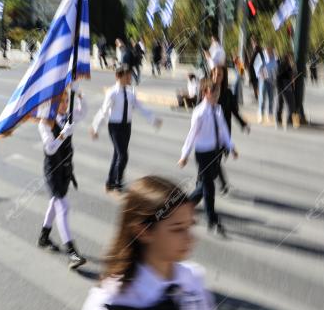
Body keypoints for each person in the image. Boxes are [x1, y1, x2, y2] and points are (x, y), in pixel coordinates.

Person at [60, 176, 235, 310]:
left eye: (190, 226)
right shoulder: (113, 300)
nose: (190, 237)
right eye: (177, 229)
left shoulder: (192, 280)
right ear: (143, 232)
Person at [36, 85, 88, 270]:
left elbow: (83, 112)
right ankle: (72, 253)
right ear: (52, 104)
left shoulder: (68, 117)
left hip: (66, 168)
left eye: (67, 100)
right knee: (63, 207)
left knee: (54, 203)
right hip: (53, 170)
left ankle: (43, 237)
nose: (65, 104)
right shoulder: (45, 123)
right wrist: (64, 132)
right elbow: (50, 148)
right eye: (62, 101)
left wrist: (78, 93)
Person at [178, 80, 237, 238]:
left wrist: (231, 147)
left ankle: (185, 206)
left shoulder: (217, 109)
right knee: (209, 187)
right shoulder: (199, 112)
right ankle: (212, 221)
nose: (216, 96)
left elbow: (223, 130)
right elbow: (191, 135)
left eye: (217, 93)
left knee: (206, 183)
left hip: (214, 152)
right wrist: (184, 155)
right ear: (205, 93)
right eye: (213, 93)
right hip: (202, 153)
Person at [91, 65, 162, 194]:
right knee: (123, 155)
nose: (130, 78)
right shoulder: (112, 92)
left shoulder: (131, 92)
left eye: (130, 75)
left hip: (126, 126)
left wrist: (153, 119)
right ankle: (118, 182)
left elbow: (140, 107)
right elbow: (104, 110)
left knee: (117, 155)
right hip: (115, 127)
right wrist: (95, 127)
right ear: (118, 76)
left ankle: (110, 182)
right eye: (127, 75)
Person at [213, 66, 249, 195]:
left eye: (219, 75)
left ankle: (209, 185)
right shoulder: (207, 91)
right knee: (212, 160)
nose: (216, 77)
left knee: (214, 160)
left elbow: (234, 111)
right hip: (208, 132)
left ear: (224, 77)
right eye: (214, 74)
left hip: (223, 133)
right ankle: (212, 185)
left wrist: (243, 124)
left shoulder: (228, 94)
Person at [255, 45, 277, 124]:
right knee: (262, 98)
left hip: (272, 80)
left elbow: (276, 68)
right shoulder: (262, 56)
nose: (270, 52)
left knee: (271, 98)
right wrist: (261, 74)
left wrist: (275, 77)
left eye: (271, 50)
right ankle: (261, 114)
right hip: (263, 80)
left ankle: (270, 115)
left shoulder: (275, 57)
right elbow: (256, 68)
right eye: (268, 50)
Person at [275, 52, 296, 129]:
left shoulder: (284, 65)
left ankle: (278, 119)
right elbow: (280, 76)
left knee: (281, 103)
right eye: (290, 57)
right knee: (291, 104)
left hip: (282, 86)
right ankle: (289, 120)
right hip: (285, 85)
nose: (291, 59)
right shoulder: (285, 65)